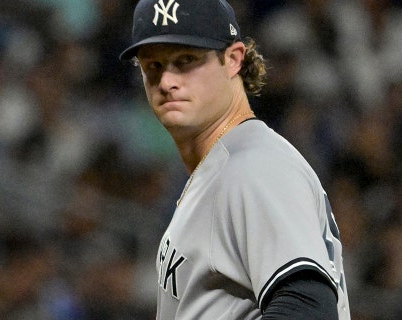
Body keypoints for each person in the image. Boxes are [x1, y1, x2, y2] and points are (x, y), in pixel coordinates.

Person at [120, 0, 351, 319]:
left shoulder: (252, 166)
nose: (167, 81)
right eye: (152, 66)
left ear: (232, 60)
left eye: (185, 60)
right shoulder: (223, 167)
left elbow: (308, 309)